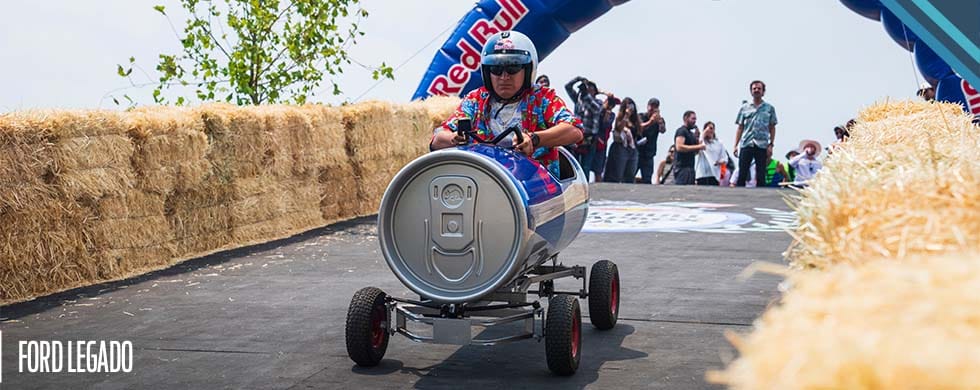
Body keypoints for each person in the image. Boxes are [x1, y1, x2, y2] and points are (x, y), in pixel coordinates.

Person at [431, 31, 584, 176]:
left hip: (537, 189)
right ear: (486, 72)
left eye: (513, 68)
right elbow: (437, 139)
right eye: (496, 69)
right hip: (486, 182)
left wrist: (534, 139)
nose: (504, 77)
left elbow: (574, 130)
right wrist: (454, 139)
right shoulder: (475, 100)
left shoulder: (542, 98)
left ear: (527, 70)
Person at [733, 80, 777, 187]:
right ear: (751, 91)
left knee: (761, 173)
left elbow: (772, 127)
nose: (756, 90)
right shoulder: (744, 108)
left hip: (761, 144)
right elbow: (740, 127)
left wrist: (771, 144)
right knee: (742, 172)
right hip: (747, 143)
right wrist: (735, 145)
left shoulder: (769, 108)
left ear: (763, 92)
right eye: (754, 89)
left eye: (759, 89)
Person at [564, 76, 603, 175]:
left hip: (590, 139)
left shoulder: (598, 102)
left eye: (591, 89)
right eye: (587, 88)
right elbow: (567, 87)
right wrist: (577, 79)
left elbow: (595, 109)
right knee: (575, 166)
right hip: (577, 137)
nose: (588, 90)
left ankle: (585, 187)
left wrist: (586, 94)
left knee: (586, 167)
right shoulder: (578, 100)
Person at [603, 97, 640, 183]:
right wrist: (626, 116)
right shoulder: (620, 117)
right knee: (617, 173)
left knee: (630, 174)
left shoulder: (635, 120)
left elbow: (639, 131)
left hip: (632, 148)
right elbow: (619, 128)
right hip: (620, 147)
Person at [636, 98, 666, 184]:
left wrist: (660, 122)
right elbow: (640, 128)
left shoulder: (659, 120)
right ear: (647, 106)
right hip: (638, 151)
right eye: (651, 106)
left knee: (647, 178)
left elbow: (663, 130)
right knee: (629, 175)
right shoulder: (641, 116)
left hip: (649, 154)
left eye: (655, 107)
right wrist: (651, 121)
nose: (652, 109)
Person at [593, 94, 620, 182]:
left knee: (598, 169)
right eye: (609, 103)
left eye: (612, 104)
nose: (610, 106)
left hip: (602, 143)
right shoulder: (597, 110)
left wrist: (606, 115)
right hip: (592, 141)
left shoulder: (611, 115)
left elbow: (605, 125)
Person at [673, 110, 704, 185]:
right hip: (682, 168)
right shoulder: (681, 131)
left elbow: (695, 152)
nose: (695, 121)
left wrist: (697, 139)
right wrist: (698, 146)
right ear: (686, 118)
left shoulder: (691, 134)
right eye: (693, 119)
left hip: (691, 168)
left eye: (695, 119)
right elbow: (679, 147)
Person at [694, 121, 729, 186]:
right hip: (702, 174)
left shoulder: (719, 143)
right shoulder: (701, 141)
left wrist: (719, 162)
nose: (709, 131)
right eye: (708, 129)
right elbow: (700, 146)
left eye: (711, 128)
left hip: (714, 174)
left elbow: (725, 158)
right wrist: (704, 133)